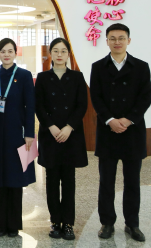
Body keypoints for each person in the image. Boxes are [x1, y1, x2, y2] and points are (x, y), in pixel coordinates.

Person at [90, 23, 151, 242]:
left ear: (128, 41)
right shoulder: (98, 67)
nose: (117, 42)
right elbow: (96, 97)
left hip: (132, 131)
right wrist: (110, 120)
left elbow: (145, 98)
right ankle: (107, 222)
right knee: (106, 181)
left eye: (121, 38)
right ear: (106, 41)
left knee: (132, 181)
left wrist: (127, 120)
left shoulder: (141, 67)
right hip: (108, 131)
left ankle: (132, 224)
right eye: (113, 38)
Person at [35, 37, 88, 240]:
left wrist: (68, 127)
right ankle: (55, 222)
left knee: (68, 181)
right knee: (51, 180)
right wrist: (51, 126)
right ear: (50, 54)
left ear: (68, 54)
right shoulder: (42, 77)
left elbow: (81, 105)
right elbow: (39, 106)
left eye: (63, 51)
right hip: (50, 135)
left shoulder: (77, 77)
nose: (59, 54)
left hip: (70, 135)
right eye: (55, 51)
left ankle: (68, 223)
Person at [0, 38, 36, 238]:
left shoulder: (24, 75)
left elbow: (30, 106)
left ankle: (14, 225)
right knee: (0, 180)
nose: (6, 55)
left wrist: (29, 133)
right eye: (3, 51)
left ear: (16, 53)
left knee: (15, 180)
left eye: (10, 51)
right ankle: (1, 224)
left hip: (18, 134)